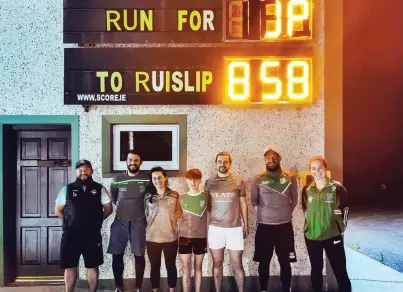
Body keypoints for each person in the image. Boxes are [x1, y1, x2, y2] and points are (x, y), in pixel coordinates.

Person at [55, 159, 113, 292]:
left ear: (91, 171)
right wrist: (69, 222)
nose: (83, 172)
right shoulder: (67, 189)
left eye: (86, 169)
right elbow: (57, 211)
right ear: (76, 172)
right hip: (71, 235)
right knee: (70, 266)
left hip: (91, 235)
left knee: (92, 266)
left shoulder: (100, 189)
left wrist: (97, 221)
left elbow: (108, 209)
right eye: (80, 170)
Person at [251, 147, 299, 292]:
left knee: (285, 261)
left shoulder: (290, 177)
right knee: (264, 262)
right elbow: (254, 201)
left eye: (274, 158)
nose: (271, 160)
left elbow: (295, 200)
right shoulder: (258, 178)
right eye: (268, 158)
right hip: (264, 227)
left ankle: (286, 288)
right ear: (264, 160)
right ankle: (264, 289)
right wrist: (266, 214)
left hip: (284, 227)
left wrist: (283, 214)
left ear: (279, 159)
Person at [302, 156, 351, 292]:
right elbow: (306, 211)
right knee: (316, 270)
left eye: (320, 167)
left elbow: (345, 209)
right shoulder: (306, 189)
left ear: (326, 168)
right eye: (313, 168)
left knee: (340, 270)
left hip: (332, 236)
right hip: (312, 237)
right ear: (310, 171)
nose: (317, 171)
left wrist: (340, 228)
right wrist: (308, 227)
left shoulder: (337, 187)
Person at [205, 152, 248, 292]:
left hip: (234, 229)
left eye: (225, 162)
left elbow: (243, 203)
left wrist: (246, 224)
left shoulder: (238, 181)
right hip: (215, 229)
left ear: (230, 164)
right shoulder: (209, 183)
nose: (222, 164)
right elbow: (208, 208)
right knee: (217, 263)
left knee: (237, 264)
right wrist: (206, 230)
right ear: (215, 163)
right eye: (220, 162)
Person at [107, 150, 150, 292]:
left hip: (138, 222)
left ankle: (138, 287)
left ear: (141, 162)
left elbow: (151, 197)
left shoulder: (147, 178)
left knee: (139, 255)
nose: (133, 163)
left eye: (136, 160)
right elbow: (114, 199)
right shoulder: (117, 179)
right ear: (126, 161)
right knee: (117, 255)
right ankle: (118, 286)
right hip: (119, 222)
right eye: (130, 160)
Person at [144, 166, 182, 292]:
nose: (157, 180)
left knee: (171, 266)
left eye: (160, 177)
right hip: (152, 238)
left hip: (170, 238)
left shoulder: (174, 195)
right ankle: (155, 290)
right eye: (154, 178)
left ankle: (172, 290)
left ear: (165, 178)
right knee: (154, 267)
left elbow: (179, 214)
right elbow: (145, 215)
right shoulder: (147, 196)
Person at [178, 169, 209, 292]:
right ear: (186, 180)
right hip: (184, 237)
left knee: (198, 267)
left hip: (201, 237)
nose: (193, 182)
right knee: (186, 267)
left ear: (200, 180)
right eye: (190, 179)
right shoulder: (181, 198)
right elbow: (177, 217)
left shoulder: (206, 196)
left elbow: (211, 215)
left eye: (196, 179)